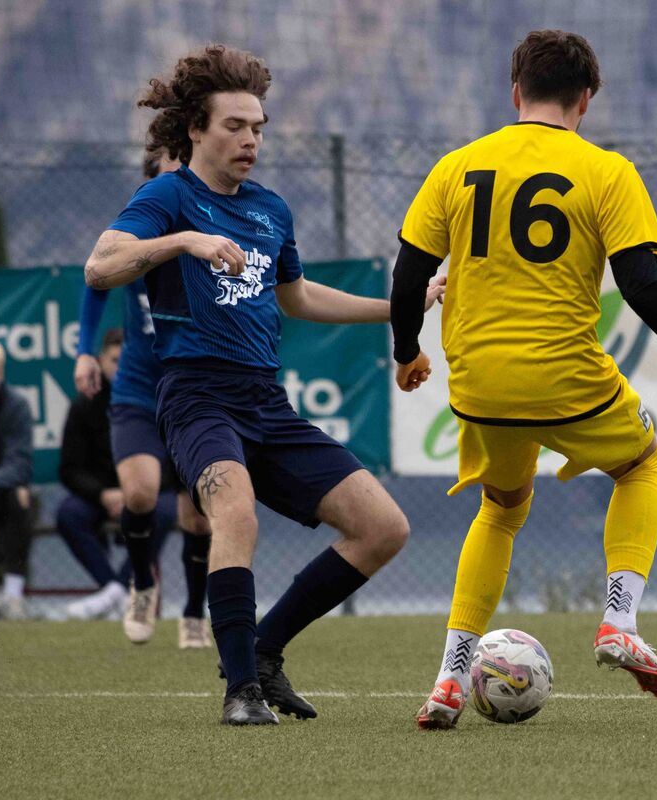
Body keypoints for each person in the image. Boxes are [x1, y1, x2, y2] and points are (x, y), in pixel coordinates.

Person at [391, 29, 657, 730]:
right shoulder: (607, 171)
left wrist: (406, 351)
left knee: (500, 510)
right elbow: (644, 289)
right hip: (567, 377)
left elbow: (410, 272)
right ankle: (618, 623)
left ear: (516, 92)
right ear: (586, 100)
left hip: (479, 384)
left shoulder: (457, 166)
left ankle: (449, 680)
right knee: (641, 464)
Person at [83, 45, 442, 725]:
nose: (250, 139)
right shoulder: (167, 196)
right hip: (195, 398)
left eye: (258, 127)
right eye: (234, 126)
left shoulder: (271, 209)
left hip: (264, 402)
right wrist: (184, 241)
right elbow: (100, 267)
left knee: (383, 528)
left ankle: (263, 650)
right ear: (196, 128)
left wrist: (402, 306)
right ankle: (241, 692)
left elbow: (298, 296)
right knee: (236, 512)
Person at [74, 146, 216, 648]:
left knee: (197, 513)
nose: (179, 174)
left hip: (193, 389)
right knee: (138, 494)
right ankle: (142, 584)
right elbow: (95, 282)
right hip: (138, 388)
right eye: (168, 167)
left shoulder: (211, 230)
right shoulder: (136, 235)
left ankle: (194, 612)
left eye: (185, 165)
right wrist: (85, 352)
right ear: (151, 179)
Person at [60, 328, 175, 625]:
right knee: (69, 513)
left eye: (127, 360)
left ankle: (115, 591)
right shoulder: (84, 406)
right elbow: (70, 469)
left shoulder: (156, 401)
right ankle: (117, 589)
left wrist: (136, 492)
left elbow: (172, 464)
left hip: (147, 492)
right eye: (114, 360)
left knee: (164, 510)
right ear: (100, 361)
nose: (120, 367)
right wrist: (103, 494)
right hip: (101, 496)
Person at [0, 337, 35, 621]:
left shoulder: (17, 406)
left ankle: (13, 594)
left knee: (21, 498)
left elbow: (19, 464)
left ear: (2, 372)